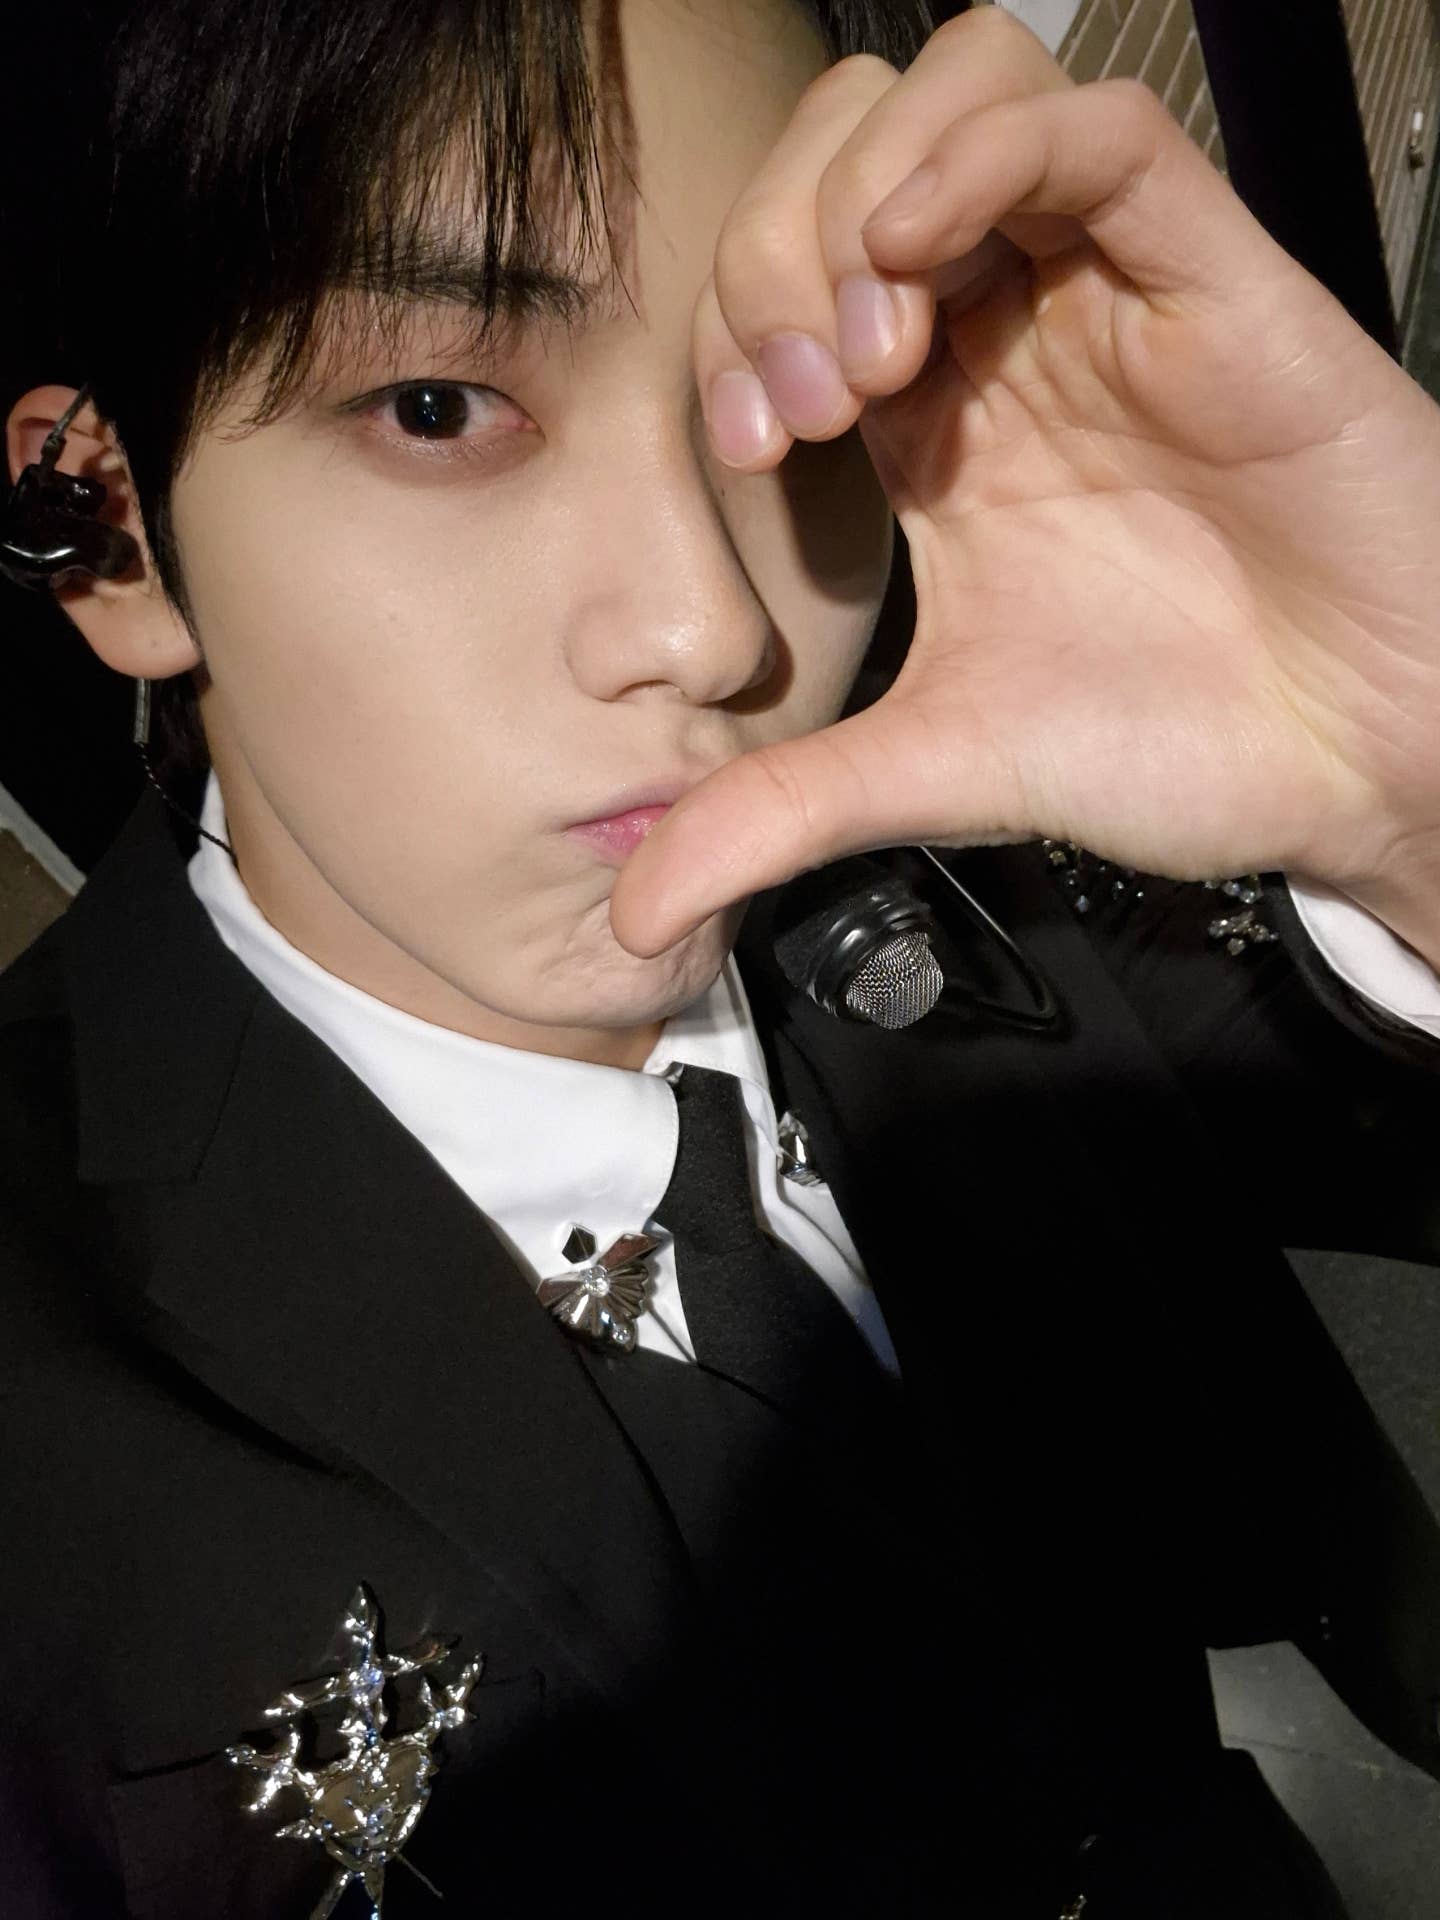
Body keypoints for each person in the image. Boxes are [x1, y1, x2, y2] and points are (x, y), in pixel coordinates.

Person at [5, 2, 1440, 1916]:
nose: (710, 630)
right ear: (111, 530)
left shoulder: (990, 827)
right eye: (438, 408)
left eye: (792, 403)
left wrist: (1415, 782)